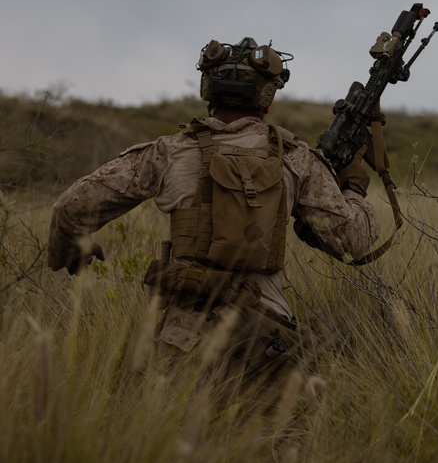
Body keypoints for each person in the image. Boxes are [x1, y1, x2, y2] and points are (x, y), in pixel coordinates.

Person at [48, 37, 379, 394]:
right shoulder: (298, 160)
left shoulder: (169, 151)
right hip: (267, 340)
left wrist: (72, 249)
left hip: (183, 338)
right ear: (266, 97)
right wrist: (353, 189)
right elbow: (355, 242)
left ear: (207, 89)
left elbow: (71, 208)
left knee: (170, 443)